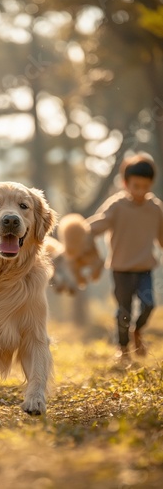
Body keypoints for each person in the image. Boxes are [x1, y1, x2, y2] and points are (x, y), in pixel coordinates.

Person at [87, 154, 163, 364]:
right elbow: (99, 223)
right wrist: (81, 232)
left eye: (145, 187)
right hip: (121, 270)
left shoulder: (155, 208)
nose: (140, 191)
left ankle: (137, 332)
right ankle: (122, 348)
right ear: (125, 183)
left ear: (151, 185)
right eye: (135, 186)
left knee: (149, 304)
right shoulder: (117, 205)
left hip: (145, 269)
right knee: (124, 311)